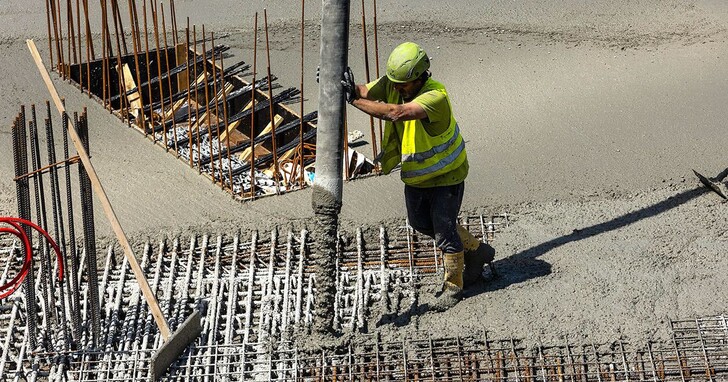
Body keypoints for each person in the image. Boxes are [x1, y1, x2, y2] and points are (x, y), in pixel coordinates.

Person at [341, 42, 496, 310]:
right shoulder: (396, 82)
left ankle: (453, 286)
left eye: (403, 85)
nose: (397, 89)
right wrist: (346, 87)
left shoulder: (435, 97)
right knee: (420, 223)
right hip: (417, 177)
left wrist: (354, 101)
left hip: (447, 176)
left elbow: (396, 113)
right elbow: (366, 90)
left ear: (420, 77)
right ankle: (477, 250)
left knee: (445, 230)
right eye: (395, 84)